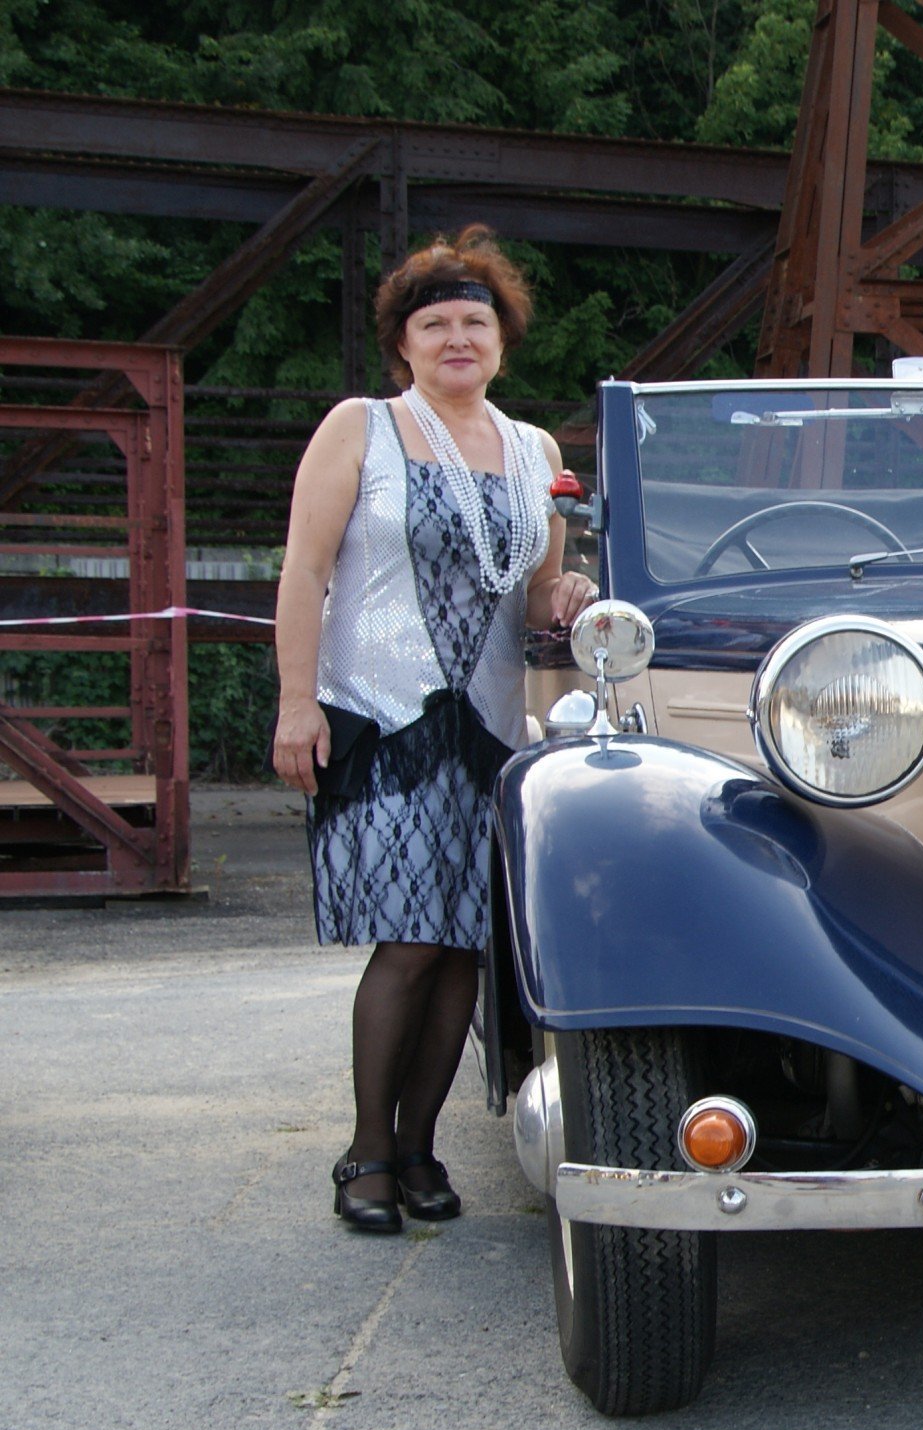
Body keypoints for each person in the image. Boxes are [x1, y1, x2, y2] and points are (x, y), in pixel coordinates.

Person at [270, 226, 597, 1236]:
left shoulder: (533, 448)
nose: (458, 337)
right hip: (379, 712)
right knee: (409, 939)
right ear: (402, 343)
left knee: (463, 947)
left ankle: (419, 1149)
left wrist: (568, 591)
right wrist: (294, 702)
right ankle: (366, 1149)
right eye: (435, 323)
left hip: (488, 724)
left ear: (501, 339)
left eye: (475, 321)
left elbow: (535, 594)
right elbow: (304, 572)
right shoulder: (359, 428)